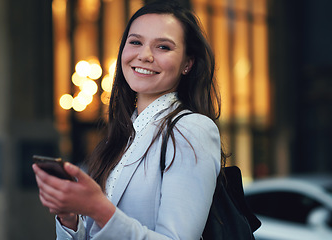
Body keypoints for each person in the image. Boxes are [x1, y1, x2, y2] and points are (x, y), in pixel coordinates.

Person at [32, 1, 225, 239]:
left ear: (188, 63)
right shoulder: (123, 134)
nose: (144, 55)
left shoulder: (191, 129)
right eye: (135, 42)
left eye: (163, 47)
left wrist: (99, 208)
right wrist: (69, 217)